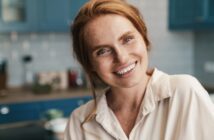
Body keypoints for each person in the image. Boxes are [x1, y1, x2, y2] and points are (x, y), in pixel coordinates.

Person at [64, 0, 214, 139]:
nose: (122, 58)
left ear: (144, 38)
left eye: (127, 39)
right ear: (89, 64)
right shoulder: (79, 123)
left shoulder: (185, 92)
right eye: (103, 51)